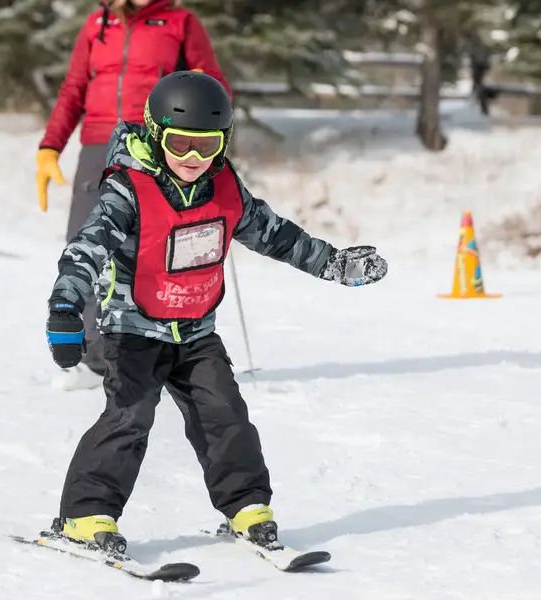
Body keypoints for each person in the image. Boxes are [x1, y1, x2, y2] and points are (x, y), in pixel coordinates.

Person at [43, 72, 388, 551]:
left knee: (225, 414)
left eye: (206, 147)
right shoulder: (128, 190)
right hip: (133, 329)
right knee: (129, 417)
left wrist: (334, 263)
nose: (192, 159)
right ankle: (86, 516)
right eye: (180, 143)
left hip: (196, 332)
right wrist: (65, 307)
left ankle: (247, 507)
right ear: (154, 133)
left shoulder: (223, 186)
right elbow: (86, 249)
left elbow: (278, 236)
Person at [35, 0, 230, 391]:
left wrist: (206, 125)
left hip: (154, 146)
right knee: (87, 245)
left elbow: (214, 86)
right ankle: (92, 359)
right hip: (97, 146)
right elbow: (74, 87)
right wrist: (50, 146)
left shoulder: (180, 22)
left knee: (150, 255)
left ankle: (159, 352)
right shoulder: (97, 23)